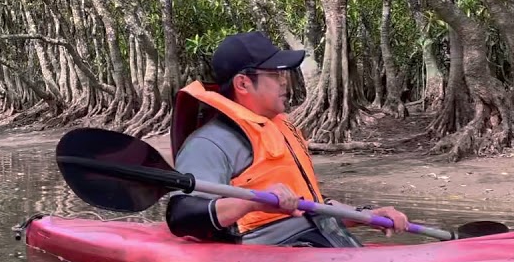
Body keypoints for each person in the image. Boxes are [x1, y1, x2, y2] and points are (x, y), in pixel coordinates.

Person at [165, 31, 409, 247]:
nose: (285, 81)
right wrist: (252, 203)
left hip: (313, 238)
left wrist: (367, 215)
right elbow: (183, 217)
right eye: (274, 74)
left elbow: (312, 207)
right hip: (269, 250)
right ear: (243, 83)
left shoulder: (280, 127)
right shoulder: (210, 143)